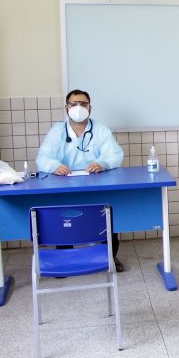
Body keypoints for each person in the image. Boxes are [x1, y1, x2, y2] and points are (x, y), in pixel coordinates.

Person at [36, 89, 126, 271]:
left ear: (90, 108)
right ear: (66, 107)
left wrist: (102, 163)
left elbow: (115, 155)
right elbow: (42, 158)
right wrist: (55, 166)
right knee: (63, 220)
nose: (78, 107)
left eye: (83, 104)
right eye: (74, 104)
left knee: (107, 216)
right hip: (64, 185)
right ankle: (63, 260)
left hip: (97, 183)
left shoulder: (101, 130)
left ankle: (109, 257)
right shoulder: (57, 131)